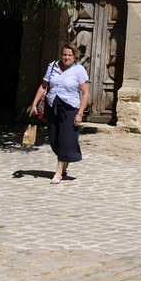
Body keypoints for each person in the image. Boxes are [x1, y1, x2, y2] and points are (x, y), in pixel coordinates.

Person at [29, 44, 90, 185]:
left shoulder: (79, 70)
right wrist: (34, 104)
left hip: (70, 109)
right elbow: (43, 86)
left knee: (64, 139)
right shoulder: (53, 67)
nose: (66, 57)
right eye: (64, 54)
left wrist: (80, 114)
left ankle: (58, 172)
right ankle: (65, 159)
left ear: (75, 56)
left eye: (69, 55)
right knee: (53, 139)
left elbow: (85, 93)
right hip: (53, 107)